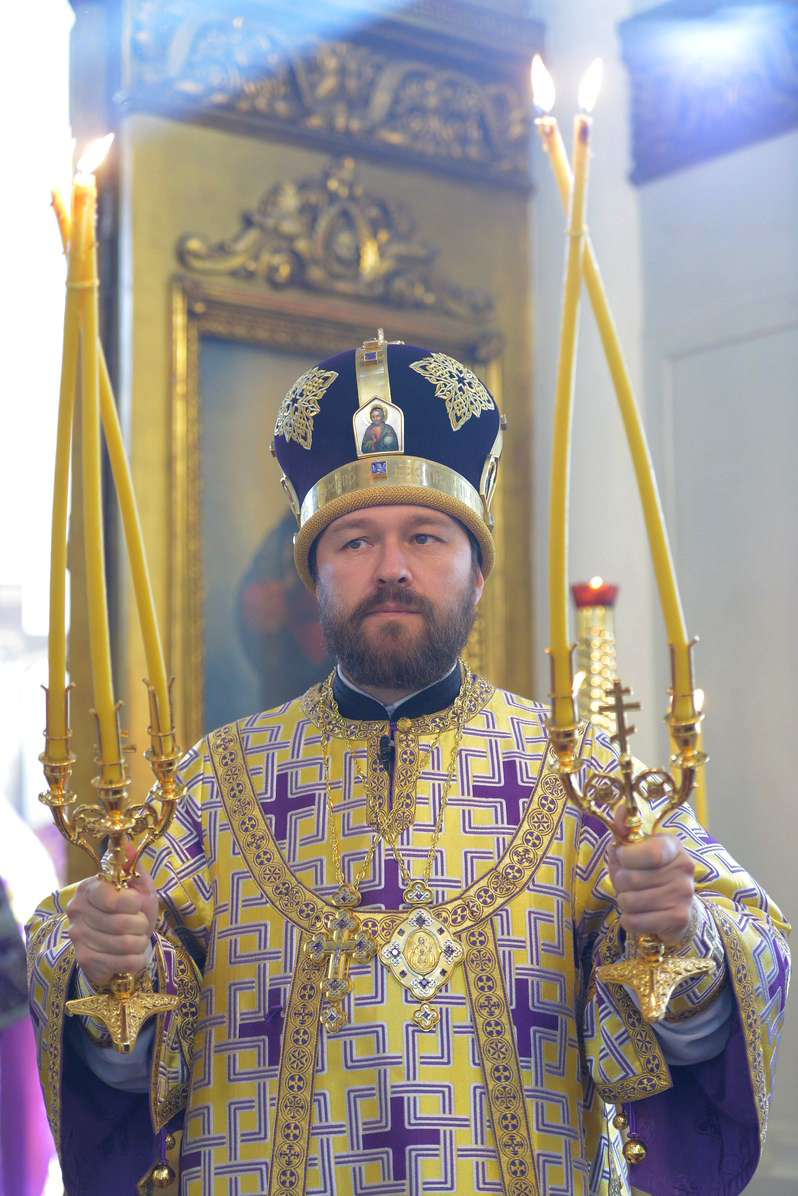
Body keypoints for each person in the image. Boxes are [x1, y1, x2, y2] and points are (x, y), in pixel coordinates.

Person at [28, 334, 790, 1196]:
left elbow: (738, 966)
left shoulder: (586, 779)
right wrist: (105, 967)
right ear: (314, 575)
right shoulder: (212, 785)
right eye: (354, 542)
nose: (391, 569)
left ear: (476, 572)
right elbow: (124, 1065)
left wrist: (681, 940)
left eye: (425, 536)